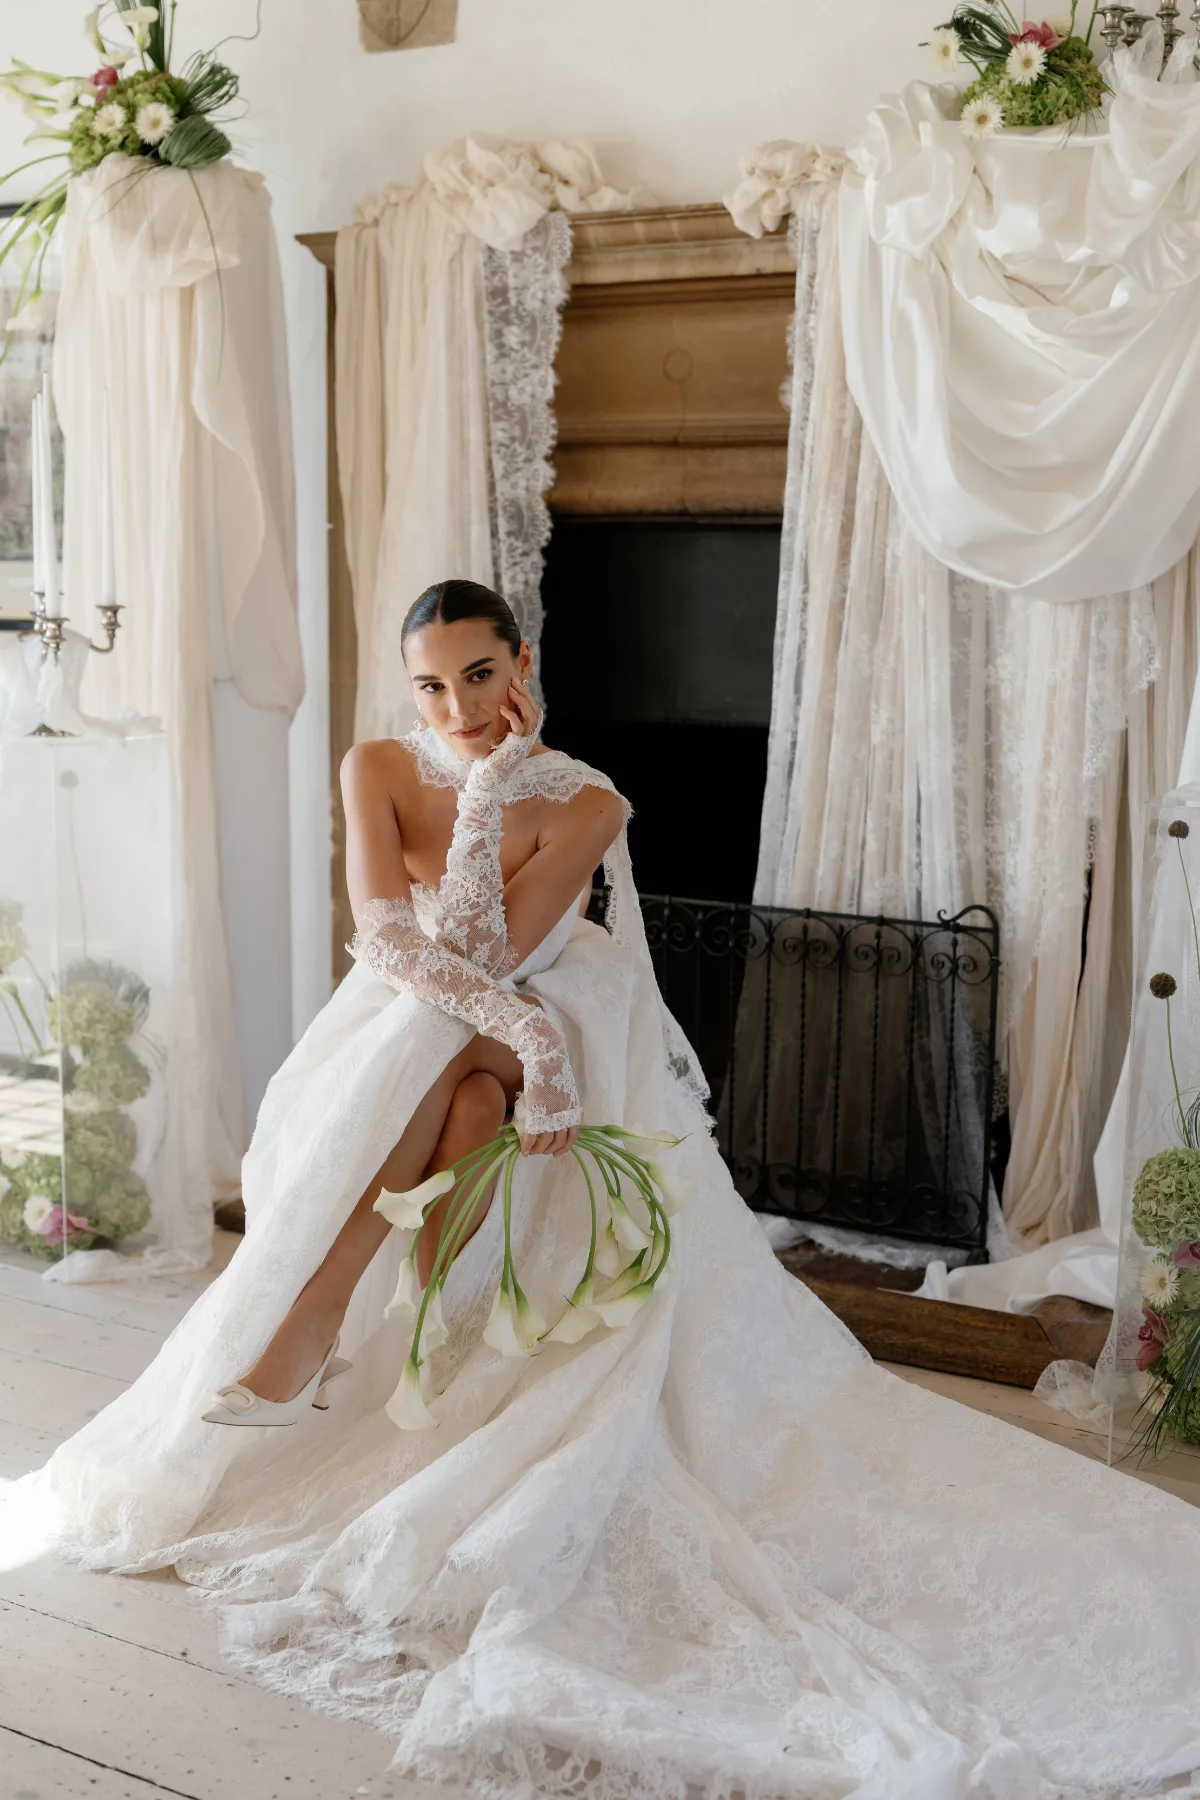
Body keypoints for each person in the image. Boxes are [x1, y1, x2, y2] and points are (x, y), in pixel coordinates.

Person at [7, 579, 1200, 1799]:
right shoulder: (372, 765)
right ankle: (391, 1321)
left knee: (451, 1046)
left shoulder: (585, 799)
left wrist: (488, 799)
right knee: (459, 1084)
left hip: (561, 999)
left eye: (479, 675)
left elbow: (501, 951)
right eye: (430, 684)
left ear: (522, 663)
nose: (455, 705)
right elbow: (387, 939)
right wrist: (522, 1046)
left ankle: (321, 1311)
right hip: (436, 1019)